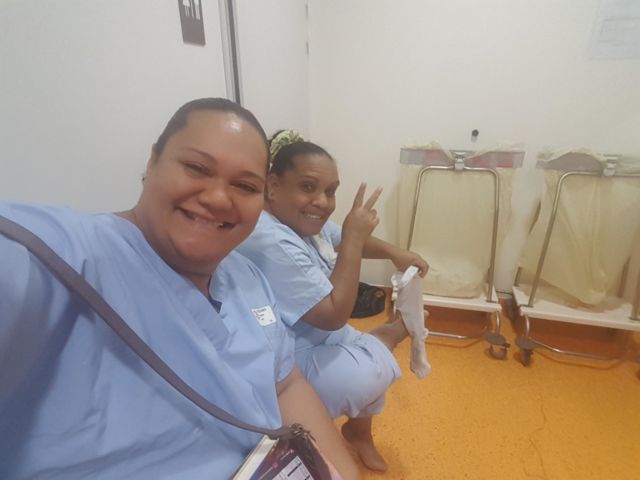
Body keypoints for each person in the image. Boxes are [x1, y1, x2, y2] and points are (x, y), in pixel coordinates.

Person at [0, 100, 358, 480]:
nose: (218, 198)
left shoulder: (247, 277)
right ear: (153, 161)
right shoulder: (65, 257)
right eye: (197, 168)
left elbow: (285, 384)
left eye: (244, 186)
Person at [236, 130, 429, 472]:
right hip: (286, 353)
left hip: (317, 333)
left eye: (330, 191)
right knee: (365, 375)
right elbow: (334, 314)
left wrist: (394, 252)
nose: (323, 202)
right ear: (273, 185)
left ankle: (359, 434)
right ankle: (384, 337)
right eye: (308, 187)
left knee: (368, 360)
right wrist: (354, 237)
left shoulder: (299, 219)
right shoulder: (268, 238)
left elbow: (338, 236)